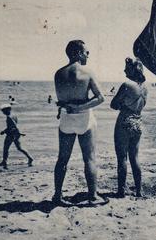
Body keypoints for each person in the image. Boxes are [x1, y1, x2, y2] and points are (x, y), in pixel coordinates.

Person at [52, 40, 105, 206]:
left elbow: (62, 99)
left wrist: (69, 107)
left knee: (62, 159)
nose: (88, 55)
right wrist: (80, 106)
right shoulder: (87, 72)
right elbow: (100, 98)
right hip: (84, 118)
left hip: (66, 118)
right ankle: (93, 196)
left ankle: (58, 196)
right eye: (86, 52)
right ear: (77, 53)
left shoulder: (58, 73)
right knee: (89, 158)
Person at [110, 57, 148, 198]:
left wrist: (121, 105)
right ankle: (139, 190)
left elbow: (113, 104)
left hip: (124, 121)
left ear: (133, 70)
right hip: (138, 122)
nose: (124, 69)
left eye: (127, 67)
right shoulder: (145, 88)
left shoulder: (126, 85)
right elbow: (140, 106)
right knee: (135, 158)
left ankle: (121, 191)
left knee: (122, 158)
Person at [0, 104, 33, 169]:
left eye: (4, 111)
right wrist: (5, 131)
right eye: (2, 111)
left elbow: (14, 126)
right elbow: (12, 126)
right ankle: (30, 158)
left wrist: (18, 132)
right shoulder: (13, 115)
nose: (3, 112)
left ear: (8, 110)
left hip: (11, 134)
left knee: (6, 148)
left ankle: (4, 161)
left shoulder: (9, 117)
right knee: (19, 148)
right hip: (15, 134)